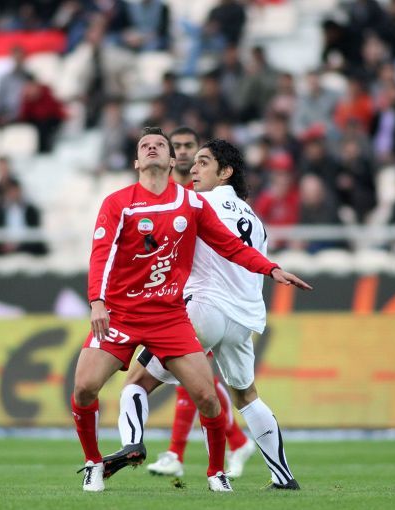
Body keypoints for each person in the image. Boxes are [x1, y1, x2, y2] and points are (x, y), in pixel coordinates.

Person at [71, 127, 311, 493]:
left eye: (201, 162)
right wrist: (272, 268)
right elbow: (102, 254)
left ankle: (159, 452)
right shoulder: (250, 214)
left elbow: (225, 244)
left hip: (190, 310)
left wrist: (269, 268)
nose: (194, 169)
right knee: (242, 395)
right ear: (137, 161)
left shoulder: (198, 202)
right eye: (147, 145)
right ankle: (280, 475)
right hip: (236, 316)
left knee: (147, 385)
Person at [148, 127, 254, 479]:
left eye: (189, 148)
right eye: (176, 147)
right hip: (183, 292)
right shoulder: (170, 191)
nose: (182, 153)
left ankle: (176, 453)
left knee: (186, 371)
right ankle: (236, 440)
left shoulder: (203, 197)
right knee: (197, 378)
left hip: (207, 297)